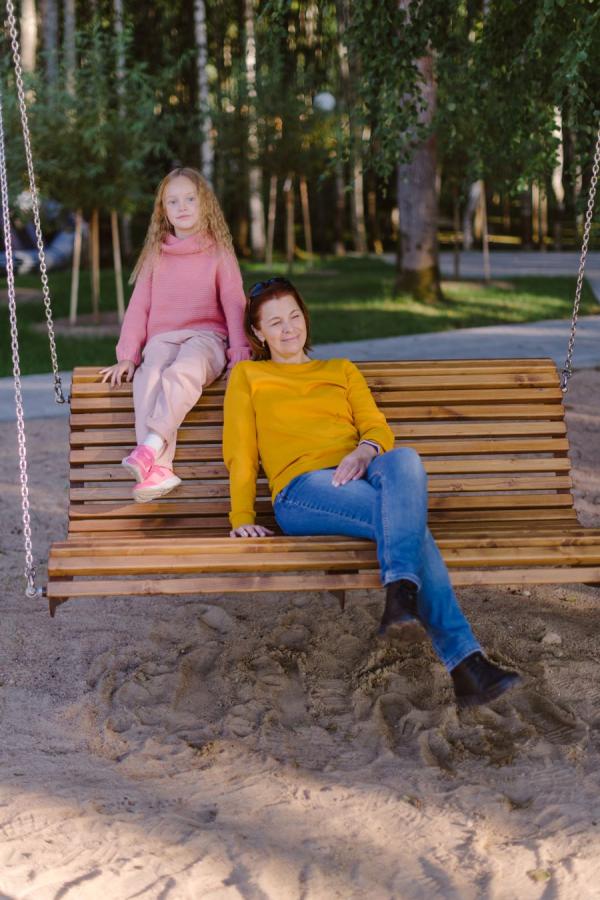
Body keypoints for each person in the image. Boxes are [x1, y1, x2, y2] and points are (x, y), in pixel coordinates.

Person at [222, 277, 522, 708]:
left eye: (294, 316)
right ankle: (461, 658)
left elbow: (377, 426)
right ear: (257, 332)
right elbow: (241, 452)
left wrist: (364, 452)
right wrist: (241, 517)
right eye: (275, 323)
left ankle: (404, 599)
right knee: (409, 525)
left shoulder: (340, 369)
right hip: (303, 489)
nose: (289, 329)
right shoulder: (250, 375)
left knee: (406, 459)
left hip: (360, 472)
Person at [100, 167, 250, 502]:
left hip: (206, 338)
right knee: (149, 376)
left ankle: (149, 447)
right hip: (162, 339)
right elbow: (139, 307)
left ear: (205, 204)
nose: (182, 207)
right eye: (173, 201)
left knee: (183, 371)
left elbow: (234, 303)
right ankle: (160, 469)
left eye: (190, 199)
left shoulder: (218, 252)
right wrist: (128, 356)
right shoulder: (156, 255)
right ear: (163, 210)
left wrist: (239, 352)